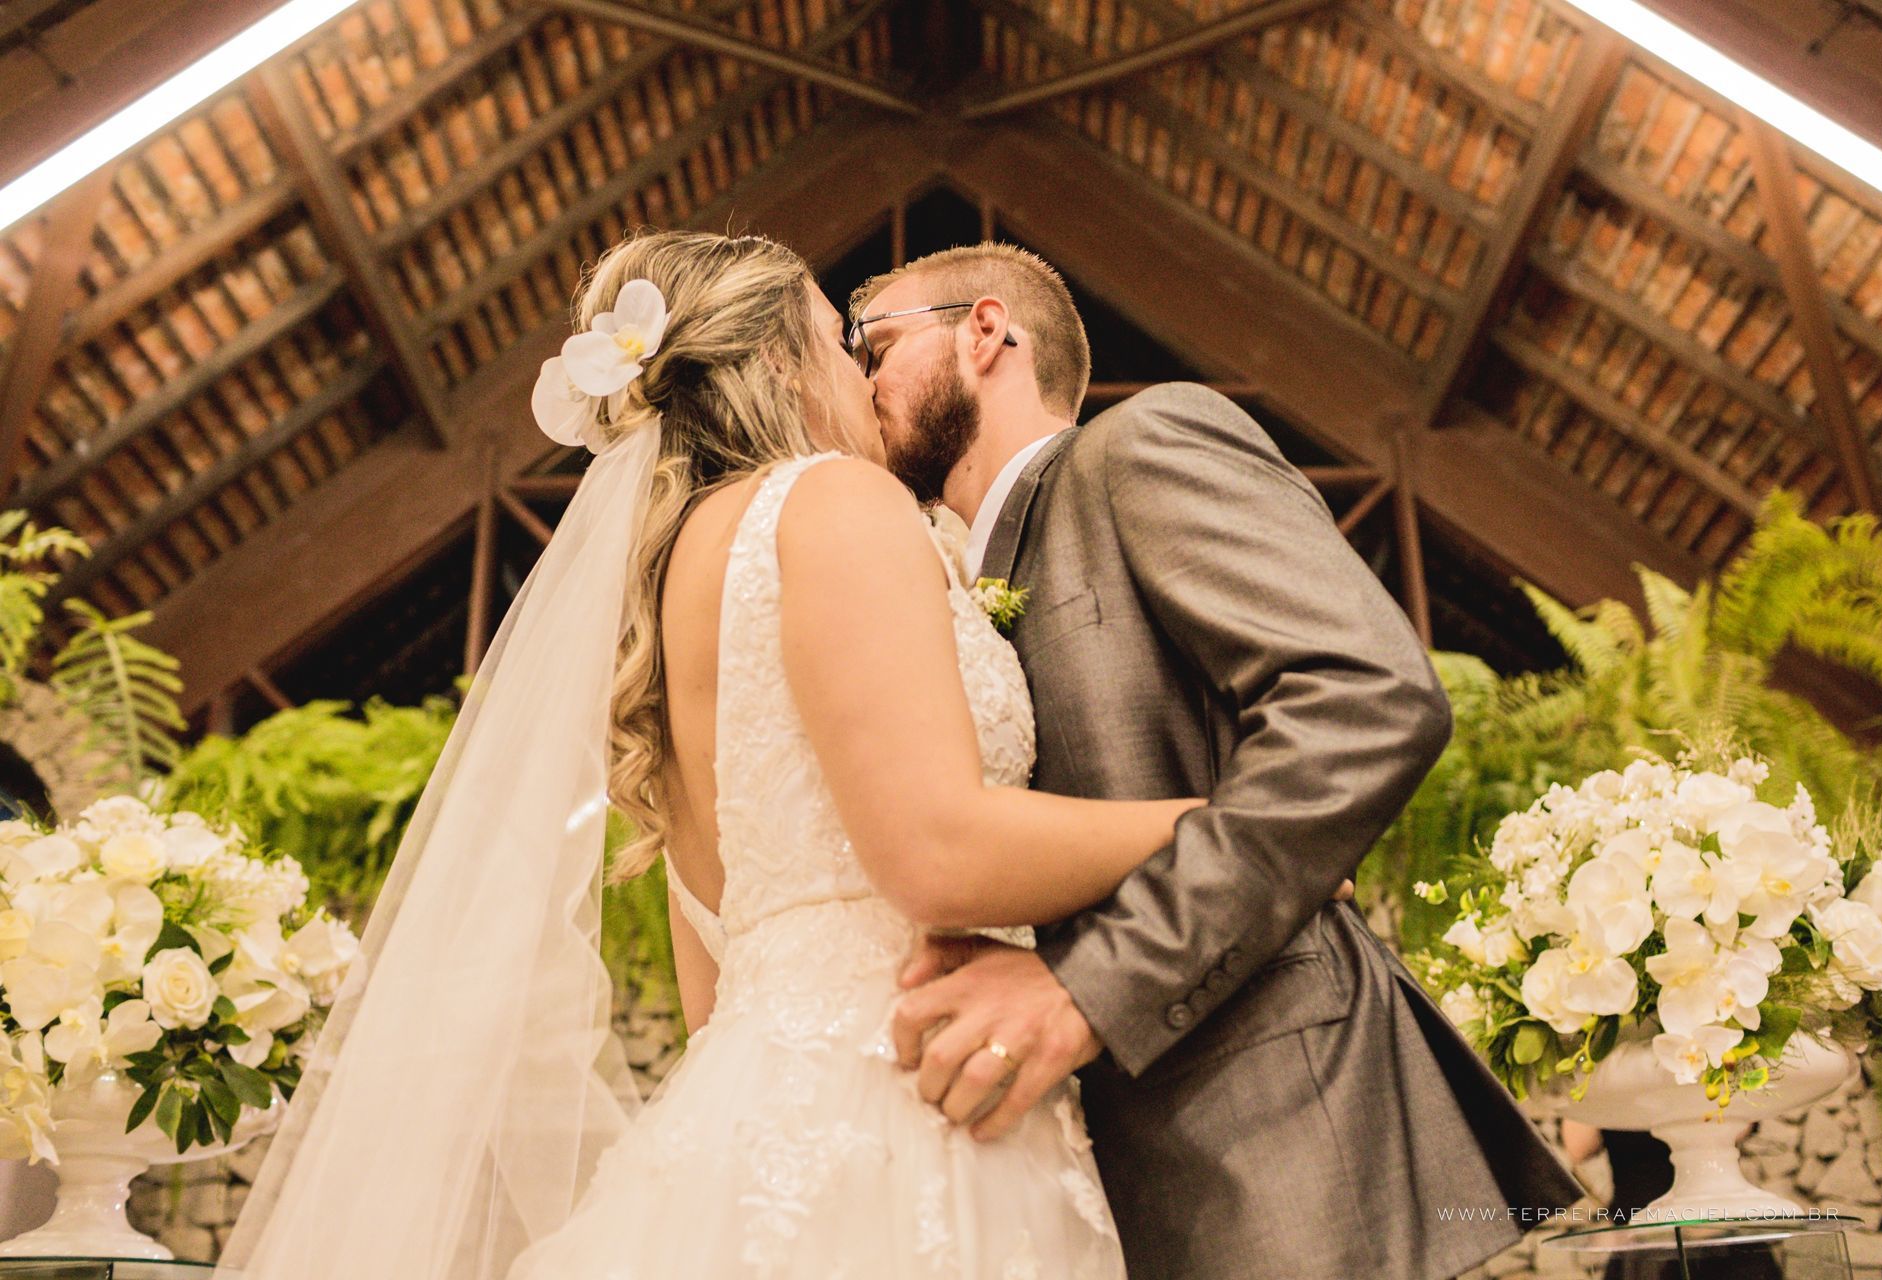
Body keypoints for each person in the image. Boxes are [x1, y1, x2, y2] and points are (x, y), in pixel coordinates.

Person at [211, 229, 1366, 1279]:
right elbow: (939, 852)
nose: (863, 375)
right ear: (780, 362)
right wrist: (1234, 834)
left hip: (745, 1135)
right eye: (839, 340)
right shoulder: (833, 500)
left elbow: (713, 989)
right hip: (908, 1126)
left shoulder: (672, 600)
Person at [848, 243, 1588, 1279]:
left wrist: (1087, 988)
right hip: (1081, 1180)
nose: (860, 382)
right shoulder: (939, 596)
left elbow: (1367, 698)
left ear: (983, 331)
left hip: (1273, 1133)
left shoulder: (1141, 445)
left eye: (873, 345)